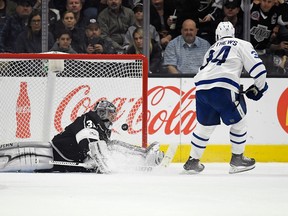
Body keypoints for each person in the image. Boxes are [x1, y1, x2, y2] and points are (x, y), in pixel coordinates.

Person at [183, 21, 268, 174]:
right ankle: (237, 160)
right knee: (240, 123)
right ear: (233, 33)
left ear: (217, 35)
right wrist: (260, 88)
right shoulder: (242, 44)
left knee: (205, 127)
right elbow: (259, 70)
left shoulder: (211, 49)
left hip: (201, 89)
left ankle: (192, 161)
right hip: (224, 88)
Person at [0, 100, 164, 173]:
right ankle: (144, 154)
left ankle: (143, 155)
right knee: (110, 145)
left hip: (68, 159)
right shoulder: (90, 119)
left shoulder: (103, 128)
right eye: (111, 114)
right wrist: (105, 166)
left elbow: (96, 148)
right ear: (102, 112)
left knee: (111, 144)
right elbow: (89, 143)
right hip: (56, 152)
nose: (114, 117)